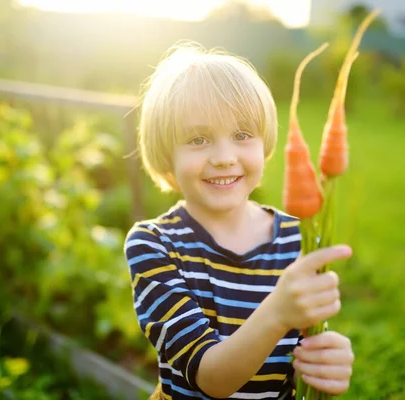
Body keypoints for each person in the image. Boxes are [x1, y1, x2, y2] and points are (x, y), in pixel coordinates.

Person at [124, 42, 354, 400]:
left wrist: (327, 364)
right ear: (166, 154)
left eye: (242, 135)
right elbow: (210, 378)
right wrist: (277, 312)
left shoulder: (299, 240)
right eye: (198, 139)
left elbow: (302, 357)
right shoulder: (154, 244)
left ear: (263, 142)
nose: (224, 157)